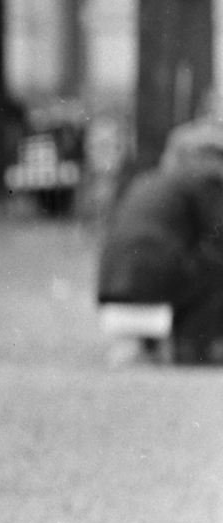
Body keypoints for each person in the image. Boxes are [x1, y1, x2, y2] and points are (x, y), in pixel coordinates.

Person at [98, 117, 223, 363]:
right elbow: (219, 236)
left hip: (111, 281)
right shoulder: (205, 180)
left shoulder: (151, 180)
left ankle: (158, 345)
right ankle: (194, 347)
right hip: (149, 278)